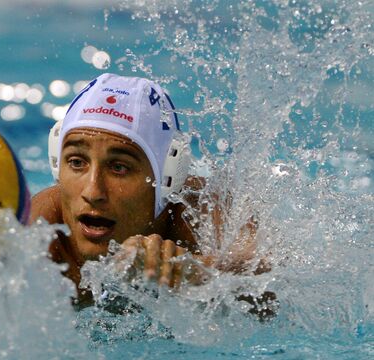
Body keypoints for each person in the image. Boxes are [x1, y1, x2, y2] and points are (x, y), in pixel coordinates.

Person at [30, 73, 266, 300]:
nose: (92, 192)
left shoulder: (199, 209)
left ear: (167, 177)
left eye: (119, 167)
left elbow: (271, 275)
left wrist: (189, 271)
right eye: (77, 162)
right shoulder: (41, 233)